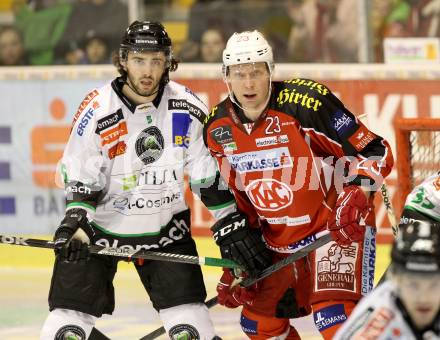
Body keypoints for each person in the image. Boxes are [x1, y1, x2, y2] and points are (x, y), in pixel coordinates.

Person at [40, 20, 237, 340]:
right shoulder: (97, 108)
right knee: (62, 333)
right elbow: (80, 173)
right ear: (123, 61)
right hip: (100, 233)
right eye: (138, 60)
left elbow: (205, 173)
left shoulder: (187, 105)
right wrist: (75, 220)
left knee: (192, 332)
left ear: (168, 63)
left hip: (166, 232)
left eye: (156, 61)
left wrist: (231, 224)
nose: (147, 70)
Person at [202, 30, 394, 339]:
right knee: (258, 325)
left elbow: (376, 151)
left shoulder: (307, 104)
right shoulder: (217, 129)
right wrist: (238, 261)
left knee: (334, 318)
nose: (248, 82)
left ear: (270, 71)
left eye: (256, 72)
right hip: (278, 244)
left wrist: (357, 191)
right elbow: (238, 200)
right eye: (239, 73)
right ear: (226, 76)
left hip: (333, 229)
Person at [335, 172, 440, 339]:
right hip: (425, 212)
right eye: (414, 285)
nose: (423, 298)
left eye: (433, 285)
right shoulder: (378, 318)